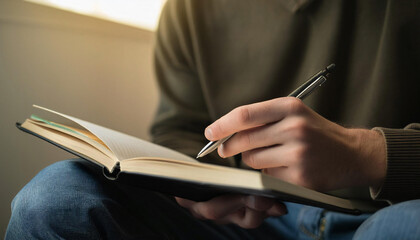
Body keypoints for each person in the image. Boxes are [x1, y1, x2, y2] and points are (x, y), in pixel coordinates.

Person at [6, 0, 420, 239]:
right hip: (256, 221)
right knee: (53, 198)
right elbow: (178, 130)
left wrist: (366, 153)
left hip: (386, 213)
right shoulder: (188, 8)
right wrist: (195, 187)